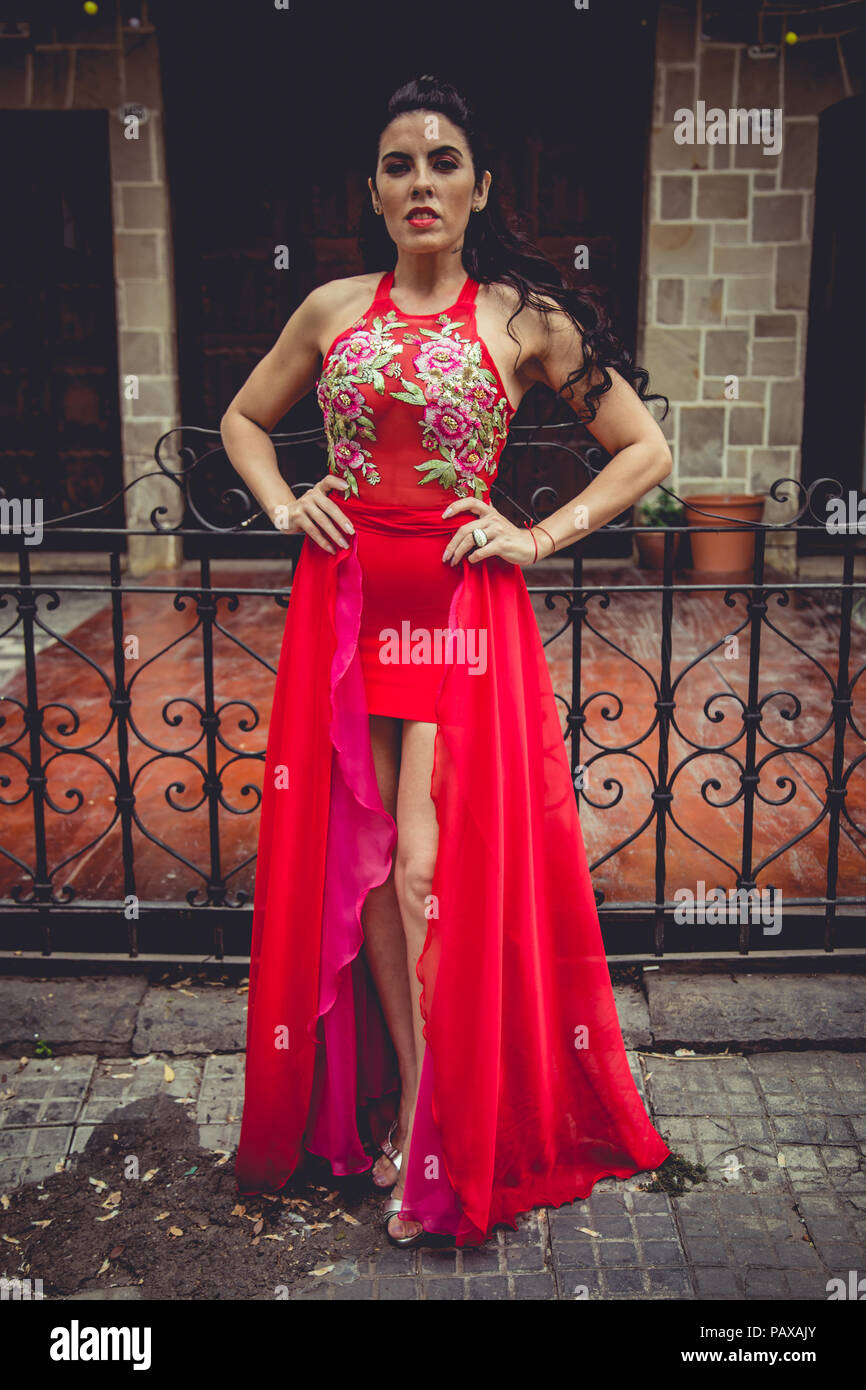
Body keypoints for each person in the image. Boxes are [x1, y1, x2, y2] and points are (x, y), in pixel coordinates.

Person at [220, 74, 673, 1249]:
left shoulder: (521, 318)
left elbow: (641, 448)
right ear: (373, 193)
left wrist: (535, 535)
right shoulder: (328, 307)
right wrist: (283, 504)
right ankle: (414, 1092)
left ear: (479, 189)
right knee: (363, 871)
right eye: (396, 165)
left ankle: (433, 1116)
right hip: (349, 607)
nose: (419, 182)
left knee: (423, 866)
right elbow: (241, 420)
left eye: (441, 162)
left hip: (459, 617)